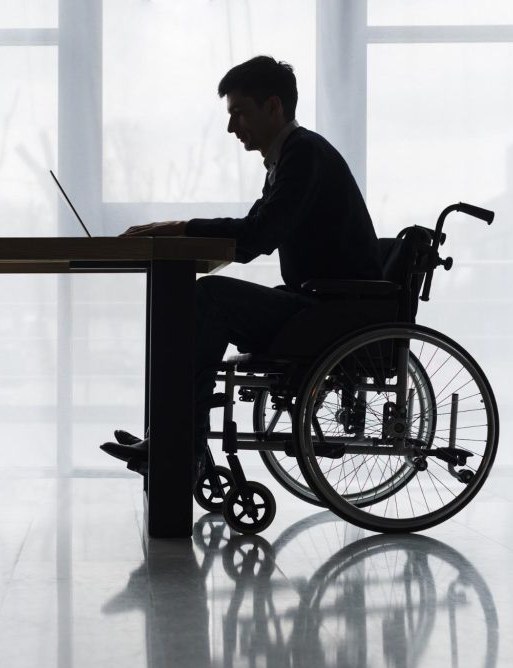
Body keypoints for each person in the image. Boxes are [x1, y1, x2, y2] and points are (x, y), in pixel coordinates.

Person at [100, 55, 382, 476]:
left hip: (332, 313)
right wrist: (183, 228)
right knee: (201, 301)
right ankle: (176, 436)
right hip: (324, 304)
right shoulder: (292, 158)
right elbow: (257, 231)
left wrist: (180, 227)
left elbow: (256, 236)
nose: (232, 128)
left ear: (272, 106)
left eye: (238, 113)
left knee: (207, 298)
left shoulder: (302, 156)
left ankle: (181, 442)